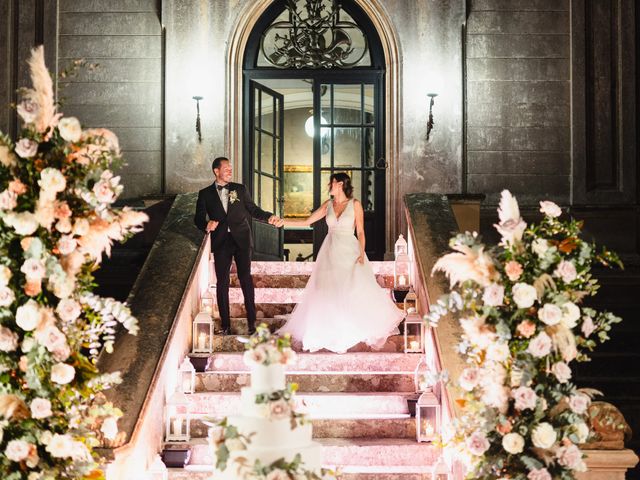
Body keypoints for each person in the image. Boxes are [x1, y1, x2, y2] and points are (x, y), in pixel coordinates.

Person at [277, 172, 404, 353]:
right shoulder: (328, 205)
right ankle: (330, 330)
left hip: (349, 250)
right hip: (330, 250)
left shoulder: (355, 204)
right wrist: (284, 221)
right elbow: (307, 221)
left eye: (332, 183)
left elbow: (360, 231)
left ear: (341, 184)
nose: (329, 186)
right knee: (328, 289)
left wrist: (361, 253)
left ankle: (351, 327)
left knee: (351, 288)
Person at [194, 156, 283, 335]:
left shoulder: (240, 189)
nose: (230, 171)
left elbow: (253, 209)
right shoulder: (205, 194)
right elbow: (198, 217)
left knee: (245, 278)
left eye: (230, 168)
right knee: (222, 283)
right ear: (216, 171)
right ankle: (226, 325)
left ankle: (252, 324)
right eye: (226, 168)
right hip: (221, 242)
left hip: (241, 239)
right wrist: (206, 224)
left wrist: (269, 217)